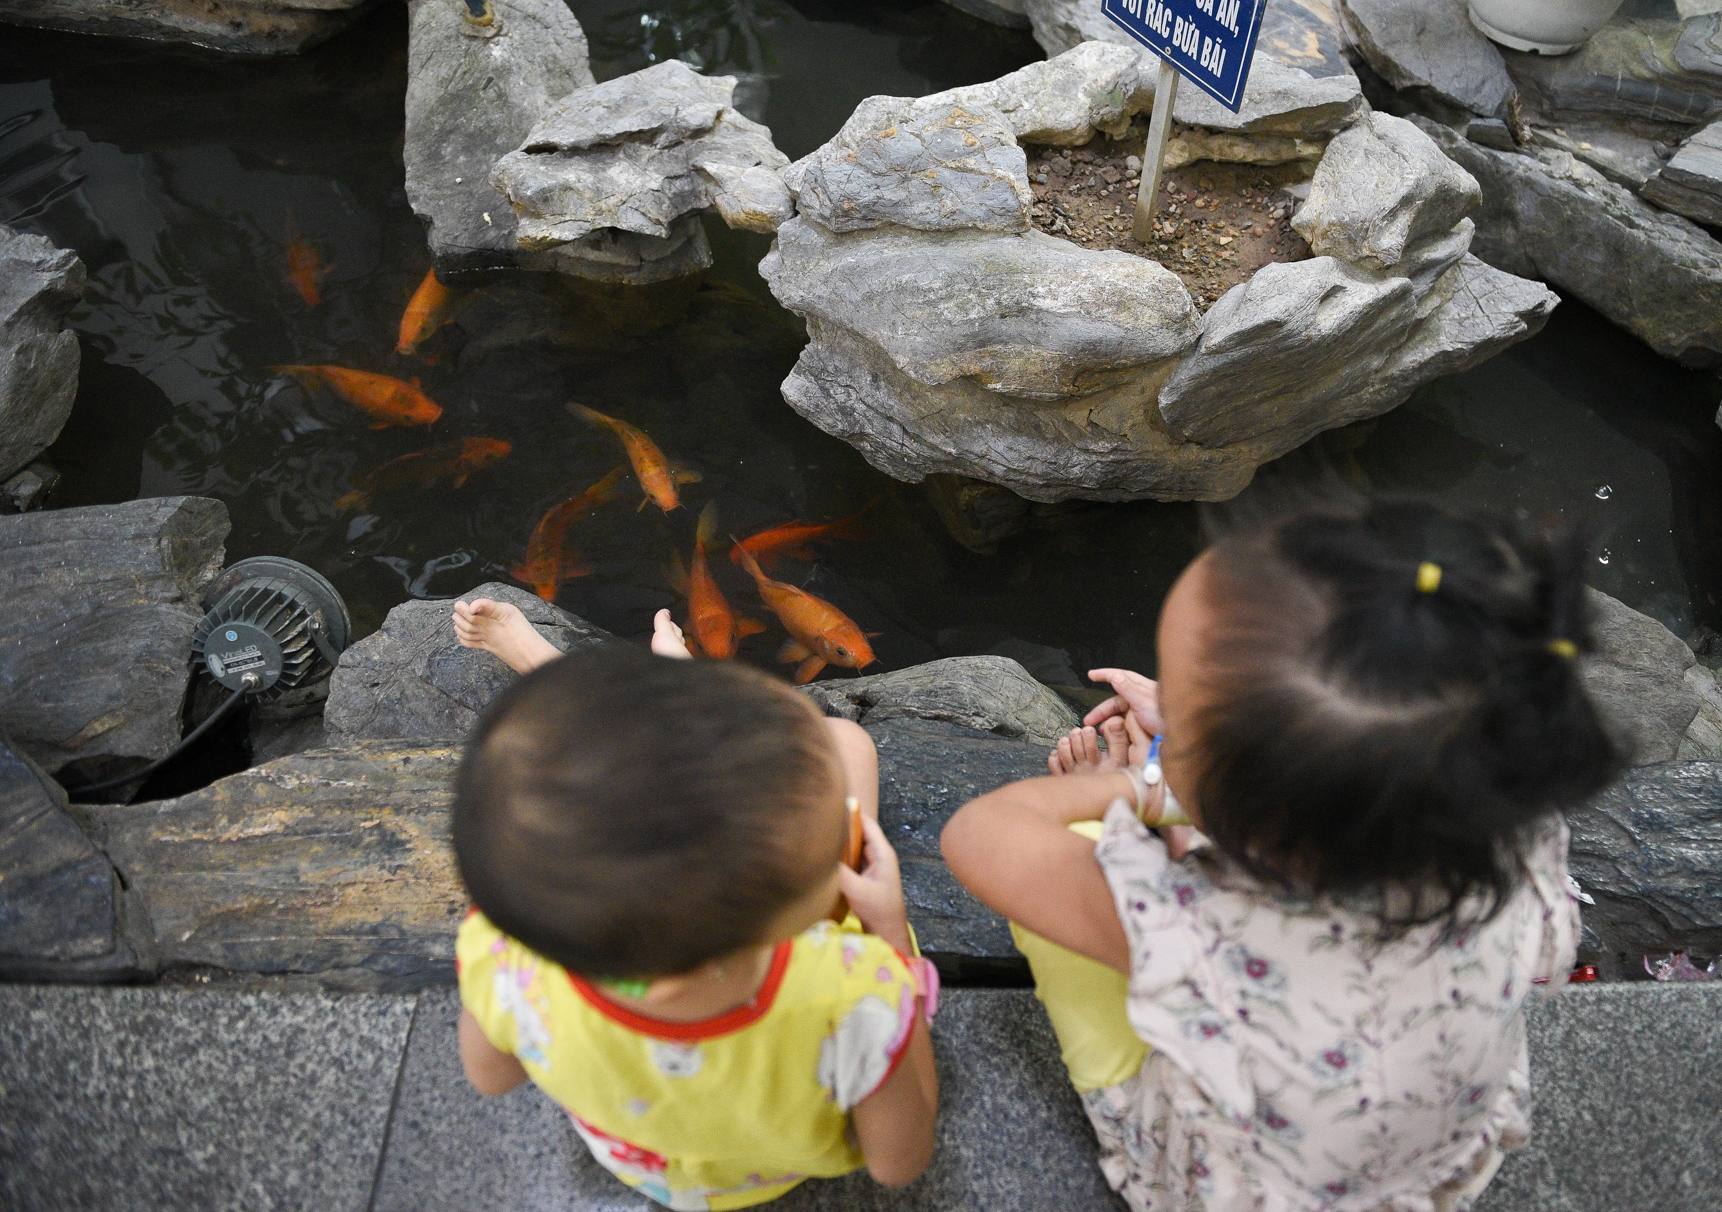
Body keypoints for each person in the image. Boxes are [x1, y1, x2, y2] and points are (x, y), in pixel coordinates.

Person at [942, 497, 1618, 1212]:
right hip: (1440, 1156)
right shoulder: (1516, 832)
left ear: (1249, 821)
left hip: (1248, 1185)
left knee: (1080, 852)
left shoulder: (1213, 941)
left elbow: (979, 836)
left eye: (1180, 705)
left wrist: (1137, 785)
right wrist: (1202, 766)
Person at [448, 596, 939, 1208]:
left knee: (633, 784)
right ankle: (659, 695)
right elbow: (898, 1164)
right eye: (831, 850)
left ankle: (609, 686)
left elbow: (489, 1077)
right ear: (803, 914)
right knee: (848, 743)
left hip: (638, 1160)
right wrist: (890, 940)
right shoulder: (856, 997)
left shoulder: (508, 954)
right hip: (768, 1175)